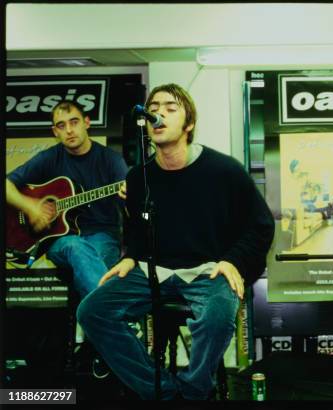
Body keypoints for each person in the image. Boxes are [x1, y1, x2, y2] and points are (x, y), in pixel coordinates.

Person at [76, 83, 275, 400]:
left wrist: (232, 261)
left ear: (189, 124)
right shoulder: (138, 177)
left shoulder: (224, 171)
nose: (159, 113)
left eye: (170, 107)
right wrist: (130, 256)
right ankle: (162, 392)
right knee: (92, 311)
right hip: (153, 269)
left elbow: (260, 225)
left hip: (207, 270)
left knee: (218, 316)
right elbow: (139, 228)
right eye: (154, 107)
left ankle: (195, 390)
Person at [6, 99, 128, 299]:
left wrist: (131, 195)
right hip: (60, 240)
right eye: (62, 126)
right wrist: (31, 207)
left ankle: (96, 319)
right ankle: (113, 314)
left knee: (92, 259)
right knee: (74, 246)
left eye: (74, 122)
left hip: (102, 234)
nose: (69, 130)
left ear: (86, 123)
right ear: (55, 132)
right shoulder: (49, 158)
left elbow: (131, 204)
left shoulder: (112, 160)